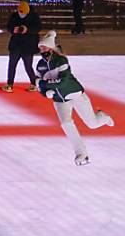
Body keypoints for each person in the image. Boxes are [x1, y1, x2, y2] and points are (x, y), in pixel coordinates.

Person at [35, 31, 115, 166]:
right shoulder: (39, 66)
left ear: (51, 47)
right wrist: (44, 92)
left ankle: (103, 117)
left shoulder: (61, 60)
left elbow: (63, 81)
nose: (42, 49)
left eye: (44, 47)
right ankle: (81, 153)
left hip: (75, 94)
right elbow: (39, 86)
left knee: (92, 124)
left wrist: (44, 84)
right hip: (60, 100)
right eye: (40, 47)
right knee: (66, 124)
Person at [0, 0, 41, 93]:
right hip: (16, 45)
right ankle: (9, 84)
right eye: (20, 12)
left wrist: (27, 29)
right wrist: (12, 29)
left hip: (28, 45)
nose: (21, 14)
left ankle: (33, 84)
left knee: (28, 66)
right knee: (12, 65)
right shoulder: (14, 16)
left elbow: (38, 28)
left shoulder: (34, 16)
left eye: (24, 13)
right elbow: (9, 26)